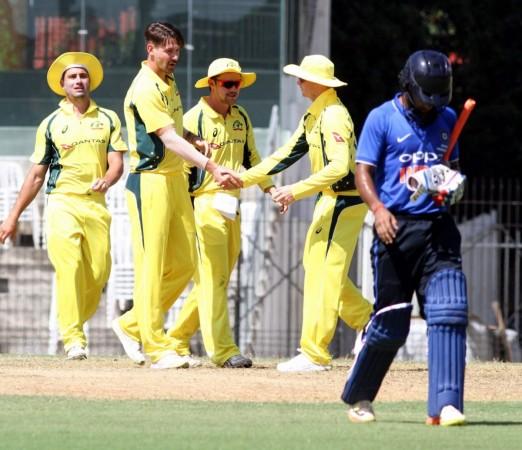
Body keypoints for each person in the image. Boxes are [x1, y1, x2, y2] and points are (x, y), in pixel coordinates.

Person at [340, 50, 468, 426]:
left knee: (449, 310)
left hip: (438, 228)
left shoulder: (447, 118)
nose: (432, 108)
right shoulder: (381, 118)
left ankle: (446, 405)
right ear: (408, 86)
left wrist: (452, 185)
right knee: (392, 321)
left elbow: (453, 169)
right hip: (395, 229)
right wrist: (378, 210)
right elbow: (363, 171)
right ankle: (360, 396)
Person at [111, 22, 242, 370]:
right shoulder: (144, 86)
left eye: (177, 52)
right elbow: (167, 139)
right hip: (149, 181)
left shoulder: (168, 84)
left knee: (186, 263)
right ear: (150, 48)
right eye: (168, 50)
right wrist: (211, 165)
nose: (174, 57)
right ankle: (155, 346)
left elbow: (175, 129)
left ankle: (130, 324)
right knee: (151, 266)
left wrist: (195, 140)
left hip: (173, 181)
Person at [237, 55, 373, 372]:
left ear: (319, 83)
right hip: (332, 199)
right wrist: (242, 178)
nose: (297, 82)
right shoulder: (316, 114)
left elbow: (340, 167)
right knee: (316, 266)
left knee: (325, 272)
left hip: (344, 200)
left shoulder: (333, 115)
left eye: (302, 78)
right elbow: (286, 154)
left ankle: (315, 352)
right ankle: (367, 319)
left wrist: (294, 191)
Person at [0, 52, 127, 359]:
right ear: (62, 84)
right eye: (72, 77)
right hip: (61, 204)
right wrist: (12, 217)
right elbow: (35, 176)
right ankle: (73, 338)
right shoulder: (51, 124)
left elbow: (117, 164)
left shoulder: (108, 118)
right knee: (68, 268)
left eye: (83, 76)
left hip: (96, 205)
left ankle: (74, 322)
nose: (78, 81)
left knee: (98, 274)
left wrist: (107, 181)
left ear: (90, 80)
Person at [166, 58, 277, 368]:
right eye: (228, 84)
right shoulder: (193, 119)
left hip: (232, 204)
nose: (234, 90)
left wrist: (272, 189)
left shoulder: (241, 116)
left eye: (237, 84)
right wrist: (183, 214)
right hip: (204, 204)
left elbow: (254, 160)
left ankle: (174, 337)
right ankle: (223, 351)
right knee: (213, 278)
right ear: (212, 84)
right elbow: (181, 170)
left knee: (218, 280)